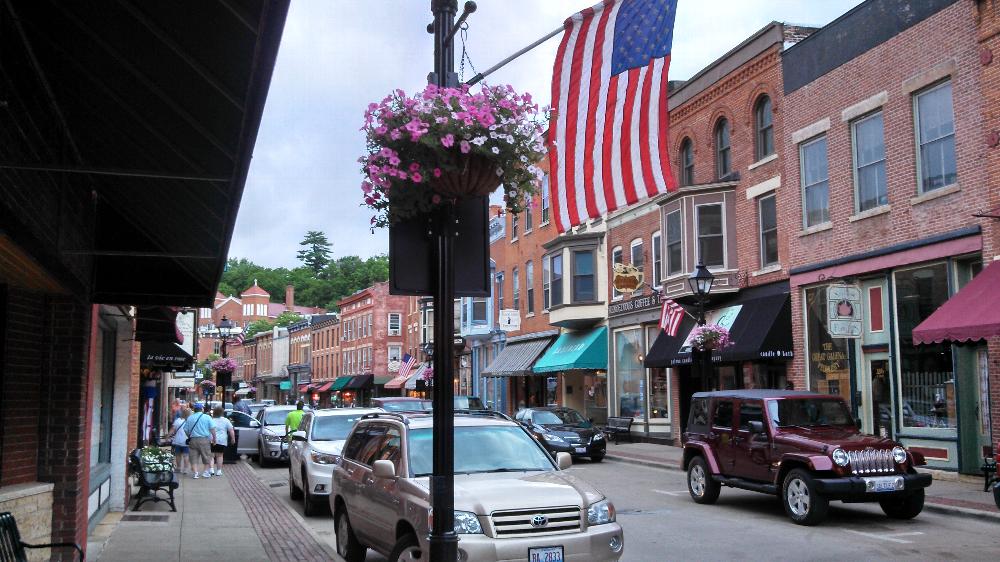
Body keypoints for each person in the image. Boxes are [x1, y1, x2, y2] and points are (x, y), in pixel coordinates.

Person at [183, 403, 216, 479]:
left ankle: (195, 473)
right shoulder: (207, 417)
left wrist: (189, 436)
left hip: (193, 440)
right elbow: (212, 429)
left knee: (193, 457)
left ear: (194, 409)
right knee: (206, 456)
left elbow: (185, 429)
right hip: (204, 439)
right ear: (202, 409)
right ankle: (205, 472)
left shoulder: (190, 418)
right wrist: (214, 439)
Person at [209, 407, 235, 476]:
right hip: (222, 440)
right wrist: (233, 438)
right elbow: (231, 430)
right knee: (219, 456)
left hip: (211, 440)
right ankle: (219, 471)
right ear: (222, 413)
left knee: (211, 455)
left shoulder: (211, 420)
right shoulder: (226, 420)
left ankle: (211, 469)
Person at [168, 407, 191, 474]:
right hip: (186, 441)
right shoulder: (190, 421)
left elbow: (172, 430)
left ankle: (178, 468)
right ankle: (185, 469)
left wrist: (167, 436)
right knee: (186, 455)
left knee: (178, 455)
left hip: (177, 441)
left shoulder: (177, 420)